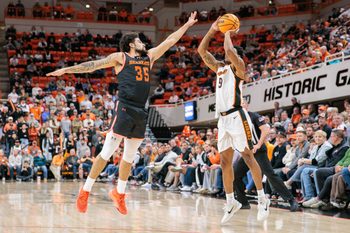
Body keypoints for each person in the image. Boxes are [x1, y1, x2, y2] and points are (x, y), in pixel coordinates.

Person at [47, 12, 198, 215]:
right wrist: (66, 70)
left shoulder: (149, 57)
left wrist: (187, 25)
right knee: (108, 151)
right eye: (139, 40)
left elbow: (170, 40)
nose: (143, 42)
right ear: (130, 44)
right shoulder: (121, 58)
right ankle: (85, 191)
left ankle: (119, 194)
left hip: (140, 111)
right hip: (125, 107)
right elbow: (93, 66)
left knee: (129, 156)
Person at [198, 19, 270, 224]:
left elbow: (230, 52)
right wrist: (212, 30)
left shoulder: (240, 68)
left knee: (247, 155)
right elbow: (202, 52)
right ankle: (231, 201)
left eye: (235, 54)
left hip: (237, 115)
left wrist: (228, 31)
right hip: (222, 120)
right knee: (224, 162)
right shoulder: (220, 68)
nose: (230, 55)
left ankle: (263, 198)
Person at [234, 100, 298, 212]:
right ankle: (243, 202)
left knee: (270, 174)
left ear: (247, 105)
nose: (241, 105)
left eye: (243, 103)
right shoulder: (235, 121)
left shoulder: (254, 116)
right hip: (247, 152)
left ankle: (291, 200)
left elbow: (266, 129)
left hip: (258, 150)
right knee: (235, 174)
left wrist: (258, 144)